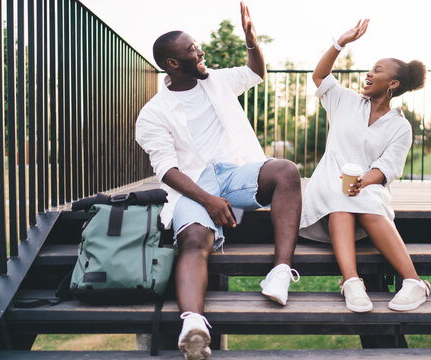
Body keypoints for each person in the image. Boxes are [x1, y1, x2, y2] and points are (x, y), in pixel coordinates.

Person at [135, 3, 301, 359]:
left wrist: (252, 41)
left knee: (286, 170)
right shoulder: (153, 113)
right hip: (191, 185)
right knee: (194, 237)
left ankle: (280, 272)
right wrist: (209, 201)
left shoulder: (216, 80)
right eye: (192, 50)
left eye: (197, 46)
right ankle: (193, 323)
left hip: (232, 173)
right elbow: (167, 170)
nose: (201, 51)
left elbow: (255, 73)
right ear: (173, 64)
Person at [299, 19, 431, 314]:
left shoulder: (400, 127)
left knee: (363, 199)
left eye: (378, 70)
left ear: (393, 84)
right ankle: (352, 282)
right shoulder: (344, 101)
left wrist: (364, 182)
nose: (369, 73)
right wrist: (340, 43)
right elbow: (320, 76)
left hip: (367, 186)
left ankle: (413, 282)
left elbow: (386, 167)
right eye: (371, 68)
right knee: (339, 197)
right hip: (329, 183)